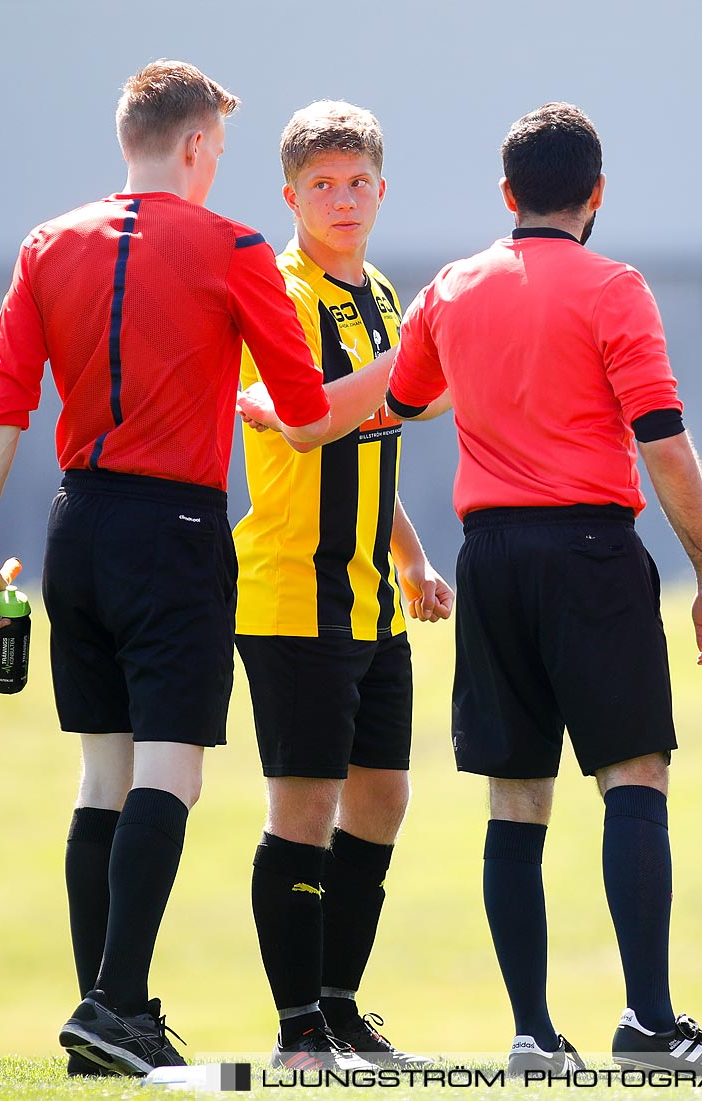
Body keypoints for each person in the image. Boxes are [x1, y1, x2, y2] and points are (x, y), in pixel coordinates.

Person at [0, 60, 332, 1076]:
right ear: (200, 145)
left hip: (74, 524)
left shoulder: (47, 242)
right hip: (174, 529)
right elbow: (302, 407)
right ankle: (119, 1003)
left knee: (102, 776)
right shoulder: (235, 245)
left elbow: (4, 402)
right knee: (173, 773)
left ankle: (100, 1024)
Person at [381, 102, 702, 1077]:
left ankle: (534, 1036)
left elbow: (404, 402)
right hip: (590, 553)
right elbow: (662, 443)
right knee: (633, 776)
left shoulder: (451, 286)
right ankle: (649, 1025)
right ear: (596, 196)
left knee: (516, 798)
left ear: (508, 196)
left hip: (489, 558)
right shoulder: (615, 287)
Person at [231, 101, 451, 1072]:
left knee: (383, 799)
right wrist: (414, 370)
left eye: (358, 180)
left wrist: (409, 553)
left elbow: (377, 439)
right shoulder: (277, 291)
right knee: (303, 808)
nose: (344, 198)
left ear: (382, 188)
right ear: (290, 196)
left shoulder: (386, 294)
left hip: (368, 592)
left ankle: (340, 1009)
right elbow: (307, 418)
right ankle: (296, 1037)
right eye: (322, 184)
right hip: (288, 588)